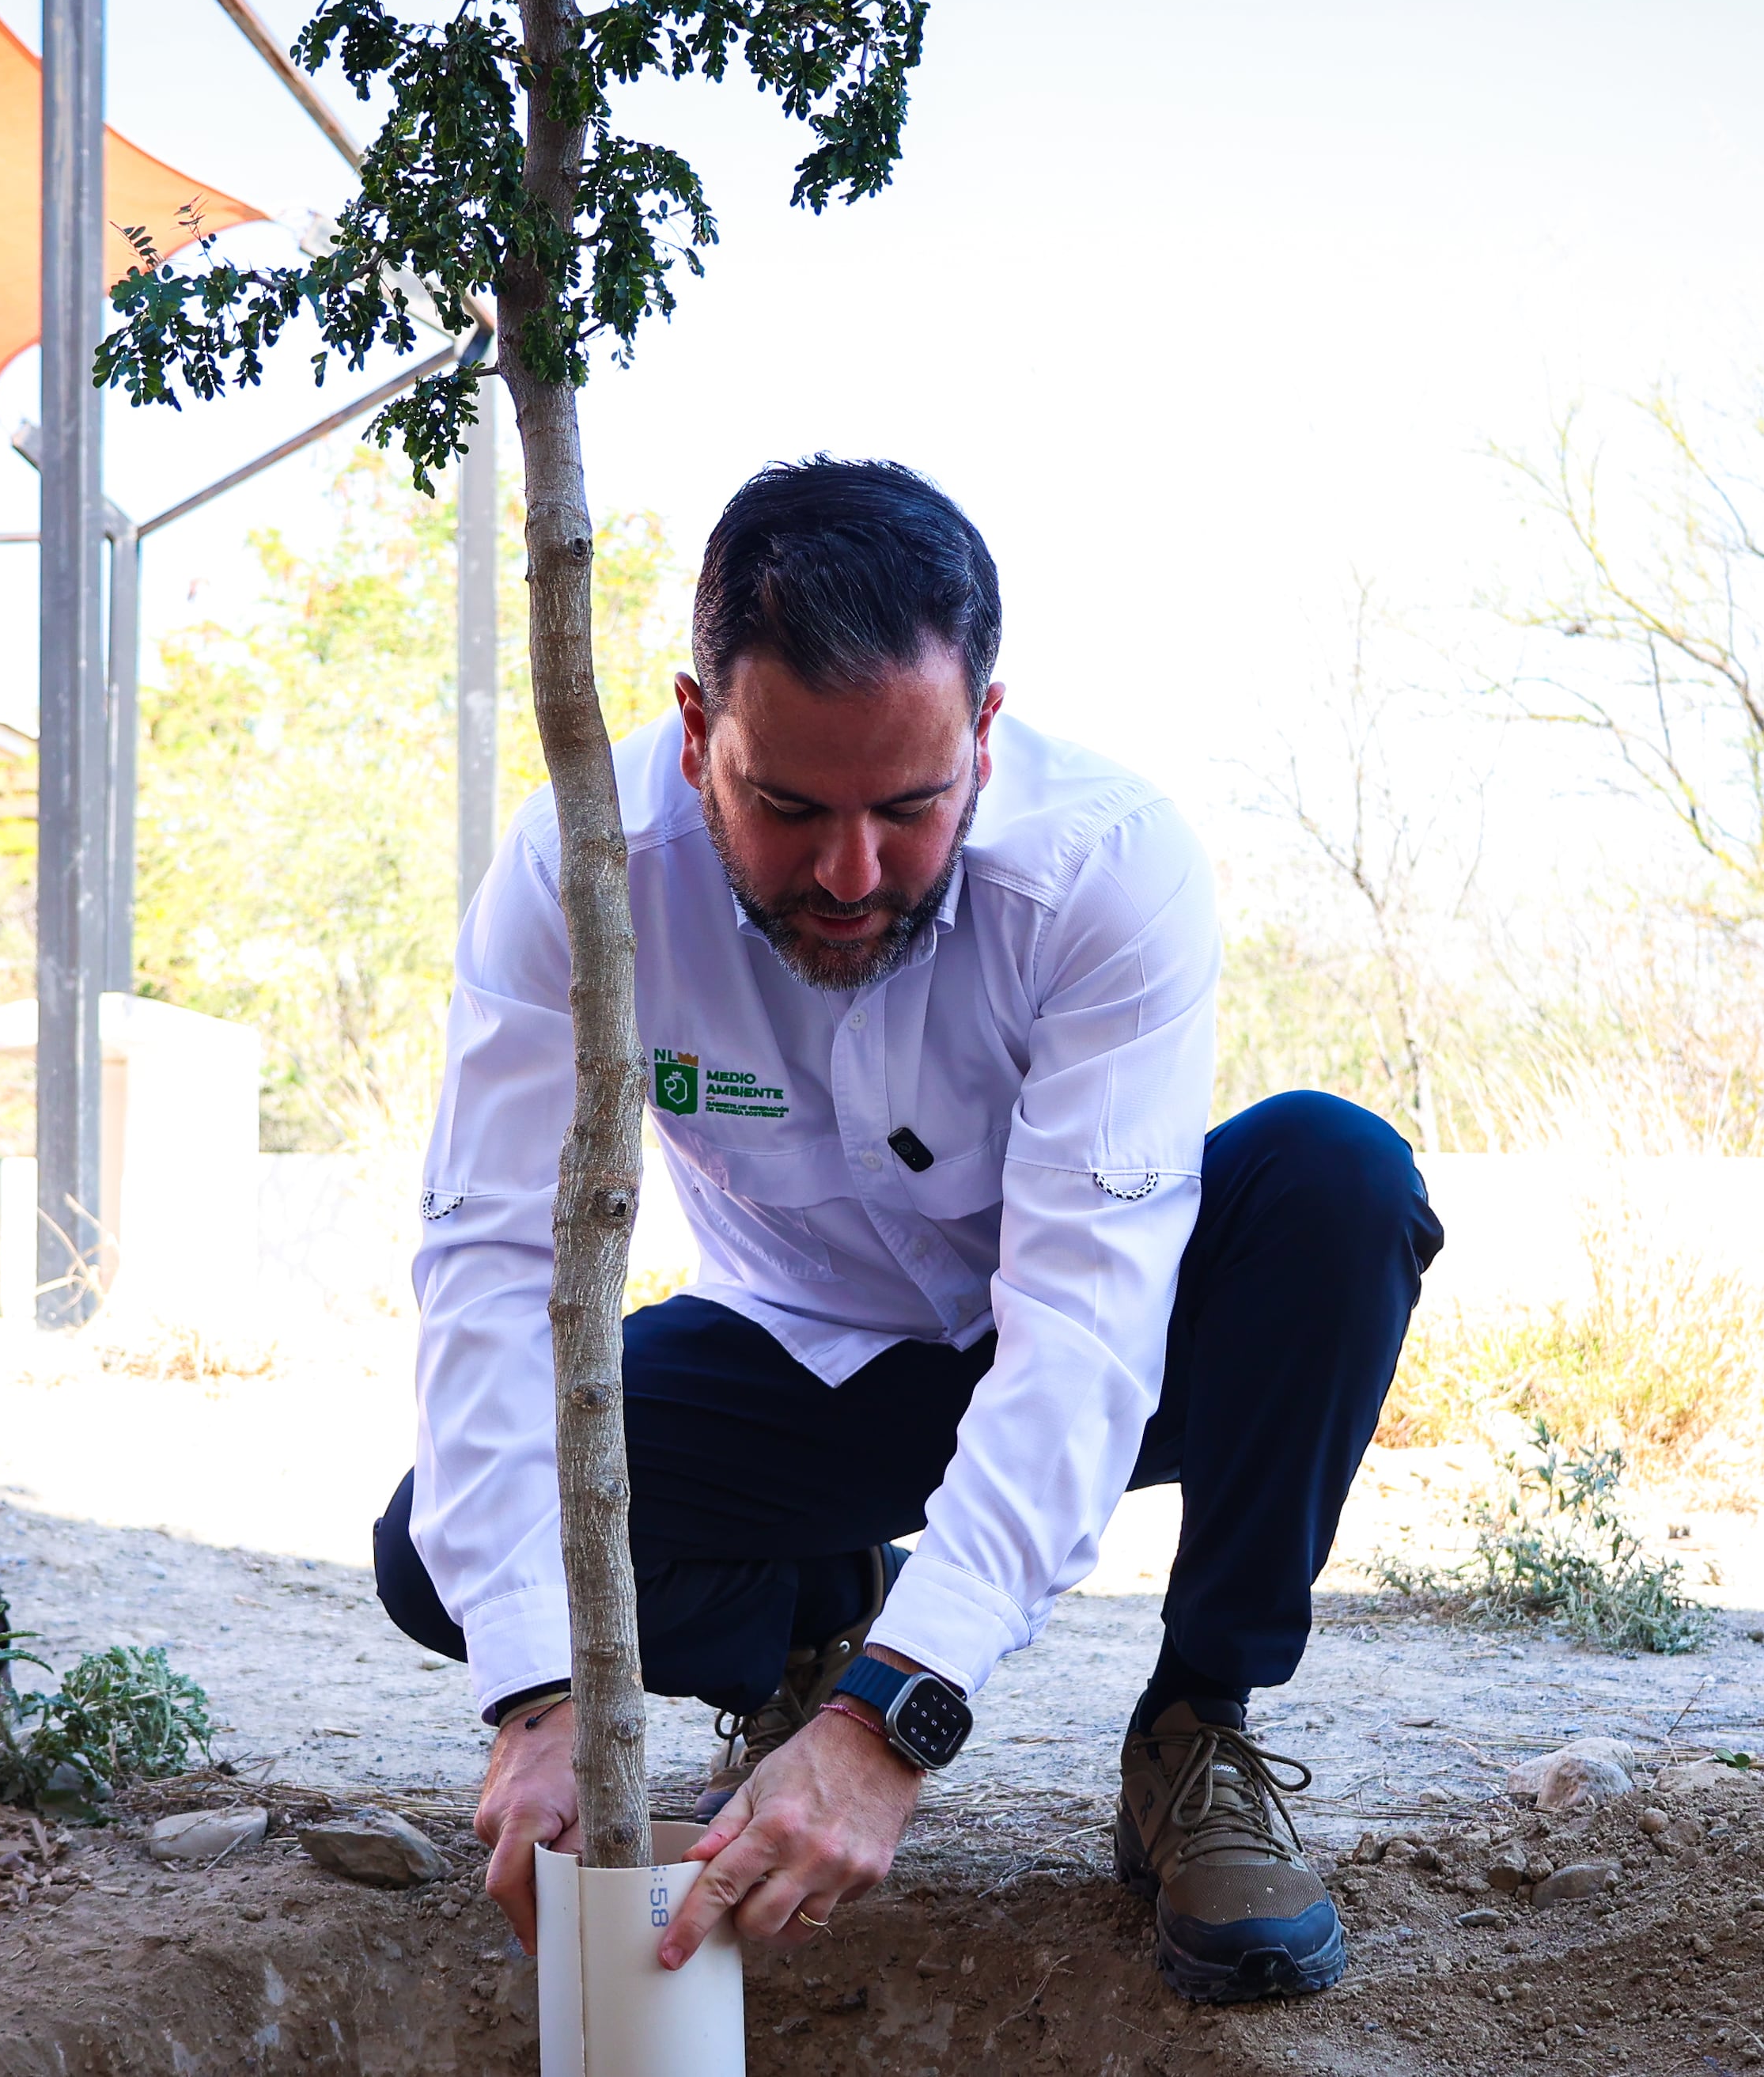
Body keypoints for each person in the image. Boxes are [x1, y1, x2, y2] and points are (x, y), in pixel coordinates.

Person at [372, 457, 1442, 2004]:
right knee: (442, 1559)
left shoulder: (1109, 868)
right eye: (787, 806)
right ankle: (808, 1623)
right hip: (804, 1358)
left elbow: (1080, 1318)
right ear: (695, 729)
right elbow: (490, 1264)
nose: (850, 875)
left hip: (1107, 1351)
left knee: (1334, 1179)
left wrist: (894, 1724)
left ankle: (1197, 1728)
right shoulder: (574, 870)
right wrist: (536, 1695)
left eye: (910, 806)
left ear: (985, 739)